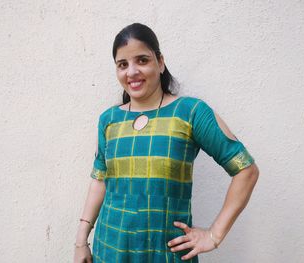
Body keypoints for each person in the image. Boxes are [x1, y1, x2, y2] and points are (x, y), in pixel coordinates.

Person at [73, 23, 259, 263]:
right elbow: (99, 182)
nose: (131, 72)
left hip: (165, 255)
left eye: (142, 60)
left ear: (160, 62)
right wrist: (81, 242)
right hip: (109, 251)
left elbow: (246, 170)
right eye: (123, 64)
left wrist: (214, 235)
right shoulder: (108, 120)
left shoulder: (190, 113)